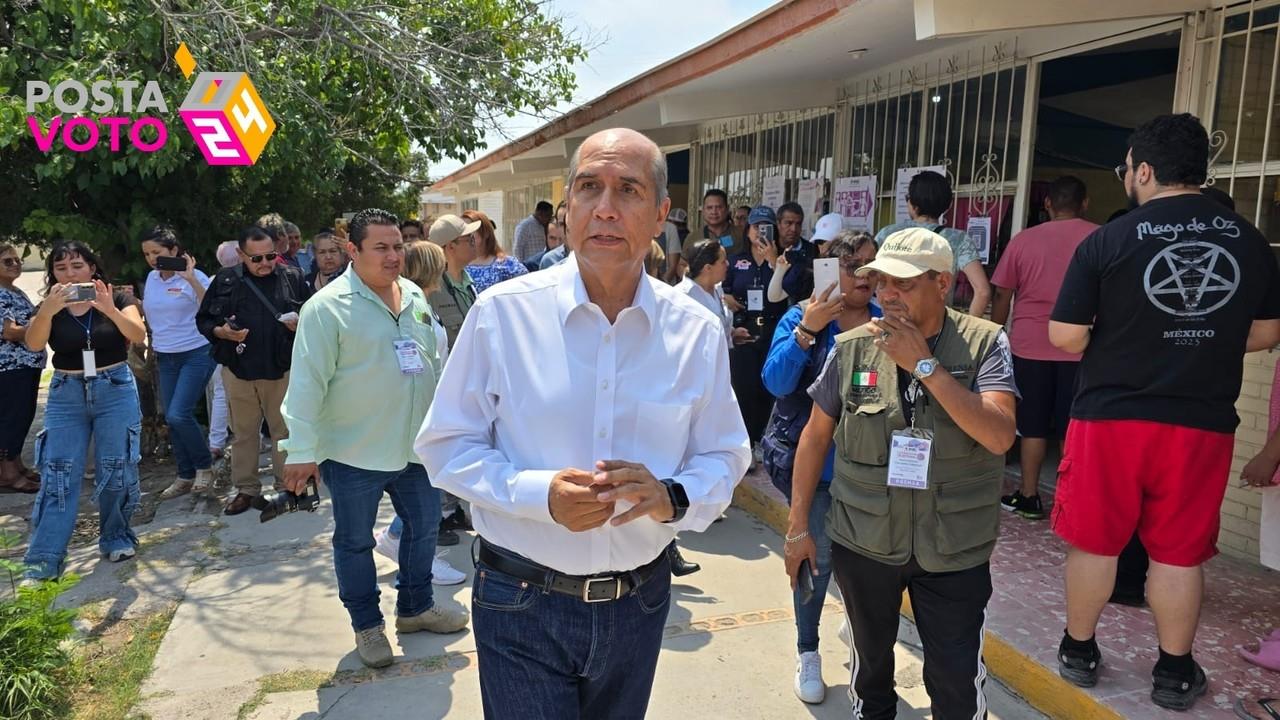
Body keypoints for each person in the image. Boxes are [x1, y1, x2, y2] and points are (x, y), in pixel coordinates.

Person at [416, 128, 751, 719]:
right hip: (520, 599)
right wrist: (539, 495)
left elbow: (725, 453)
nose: (605, 208)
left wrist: (672, 495)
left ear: (661, 214)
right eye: (589, 187)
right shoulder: (503, 316)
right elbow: (446, 445)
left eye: (628, 190)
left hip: (639, 602)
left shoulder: (694, 330)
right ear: (567, 205)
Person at [1048, 113, 1280, 711]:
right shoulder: (1249, 239)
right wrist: (1205, 337)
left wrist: (1129, 337)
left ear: (1144, 169)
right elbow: (1266, 332)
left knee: (1096, 543)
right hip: (1200, 422)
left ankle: (1078, 650)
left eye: (1127, 168)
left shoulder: (1108, 239)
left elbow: (1066, 337)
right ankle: (1175, 672)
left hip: (1111, 417)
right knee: (1179, 552)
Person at [785, 227, 1017, 718]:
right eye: (882, 280)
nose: (887, 293)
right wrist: (798, 527)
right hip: (865, 541)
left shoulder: (986, 343)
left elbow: (999, 435)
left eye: (904, 283)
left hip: (954, 547)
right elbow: (814, 436)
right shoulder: (850, 348)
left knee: (954, 684)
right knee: (871, 676)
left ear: (943, 283)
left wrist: (927, 367)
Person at [282, 208, 468, 669]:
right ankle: (367, 626)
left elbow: (432, 366)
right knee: (354, 543)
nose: (392, 257)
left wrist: (447, 427)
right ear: (353, 250)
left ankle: (415, 608)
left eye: (397, 246)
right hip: (353, 451)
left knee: (425, 528)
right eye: (380, 248)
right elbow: (306, 384)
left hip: (414, 447)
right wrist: (301, 452)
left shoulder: (413, 296)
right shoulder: (326, 309)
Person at [762, 231, 880, 703]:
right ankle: (807, 650)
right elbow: (775, 381)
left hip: (871, 469)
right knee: (818, 557)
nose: (865, 277)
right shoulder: (802, 316)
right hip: (816, 470)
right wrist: (807, 331)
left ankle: (857, 629)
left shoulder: (884, 322)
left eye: (873, 266)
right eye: (853, 266)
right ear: (830, 270)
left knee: (869, 561)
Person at [22, 241, 148, 579]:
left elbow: (138, 334)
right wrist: (47, 311)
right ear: (52, 274)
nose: (69, 273)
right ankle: (44, 558)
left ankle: (115, 535)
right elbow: (34, 344)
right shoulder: (49, 305)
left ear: (92, 268)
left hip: (115, 388)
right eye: (61, 268)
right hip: (67, 393)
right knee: (58, 471)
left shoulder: (118, 298)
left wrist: (108, 309)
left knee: (116, 465)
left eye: (77, 265)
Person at [989, 176, 1097, 520]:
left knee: (1032, 425)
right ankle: (1069, 504)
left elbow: (1002, 295)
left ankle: (1030, 495)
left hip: (1029, 346)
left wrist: (994, 332)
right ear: (1085, 203)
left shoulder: (1024, 241)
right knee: (1072, 427)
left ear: (1047, 204)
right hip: (1082, 347)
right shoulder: (1100, 238)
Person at [371, 240, 468, 586]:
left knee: (428, 490)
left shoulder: (422, 304)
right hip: (418, 411)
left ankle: (404, 542)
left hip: (431, 408)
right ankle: (405, 546)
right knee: (425, 491)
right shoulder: (408, 310)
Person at [196, 226, 310, 515]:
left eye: (270, 256)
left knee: (284, 432)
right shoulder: (225, 281)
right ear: (241, 255)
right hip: (239, 368)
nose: (264, 264)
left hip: (282, 367)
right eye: (256, 259)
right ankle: (246, 489)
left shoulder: (293, 278)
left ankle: (288, 488)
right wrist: (221, 332)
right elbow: (204, 320)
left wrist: (301, 325)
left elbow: (314, 317)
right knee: (244, 433)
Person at [137, 227, 218, 501]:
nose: (151, 258)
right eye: (147, 253)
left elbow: (212, 307)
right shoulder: (151, 278)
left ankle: (205, 467)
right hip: (165, 355)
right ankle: (184, 474)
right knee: (172, 419)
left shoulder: (194, 276)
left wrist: (191, 279)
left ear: (174, 251)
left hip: (196, 351)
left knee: (178, 414)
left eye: (157, 252)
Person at [875, 171, 992, 316]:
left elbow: (867, 276)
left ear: (913, 204)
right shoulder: (958, 240)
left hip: (893, 320)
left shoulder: (887, 234)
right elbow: (983, 291)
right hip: (937, 326)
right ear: (947, 205)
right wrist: (966, 332)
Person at [724, 205, 789, 462]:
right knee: (744, 387)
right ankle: (746, 442)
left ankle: (764, 439)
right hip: (744, 328)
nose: (759, 232)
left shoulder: (784, 259)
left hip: (774, 327)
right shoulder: (735, 261)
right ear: (747, 229)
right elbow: (722, 289)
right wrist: (727, 297)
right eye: (755, 227)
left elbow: (791, 287)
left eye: (765, 226)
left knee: (769, 386)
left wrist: (774, 260)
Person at [0, 243, 45, 493]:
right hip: (10, 366)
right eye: (8, 261)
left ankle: (16, 464)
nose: (15, 264)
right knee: (11, 417)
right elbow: (9, 332)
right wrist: (40, 326)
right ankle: (7, 473)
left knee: (23, 415)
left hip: (26, 364)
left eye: (17, 260)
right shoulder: (0, 293)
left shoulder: (14, 291)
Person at [207, 242, 242, 460]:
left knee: (222, 394)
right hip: (231, 344)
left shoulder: (212, 280)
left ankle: (216, 442)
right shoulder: (237, 280)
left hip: (218, 345)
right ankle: (247, 439)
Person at [427, 214, 481, 349]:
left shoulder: (469, 283)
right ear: (451, 247)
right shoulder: (431, 290)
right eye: (470, 239)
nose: (475, 243)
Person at [464, 209, 528, 294]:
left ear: (486, 233)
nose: (465, 236)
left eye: (471, 231)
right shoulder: (455, 265)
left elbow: (526, 290)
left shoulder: (508, 265)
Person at [683, 189, 743, 260]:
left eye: (718, 207)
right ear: (703, 210)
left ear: (727, 209)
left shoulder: (740, 235)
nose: (714, 212)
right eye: (709, 208)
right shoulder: (693, 237)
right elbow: (682, 264)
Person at [539, 203, 572, 270]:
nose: (567, 228)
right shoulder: (548, 261)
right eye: (562, 224)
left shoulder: (594, 258)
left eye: (570, 222)